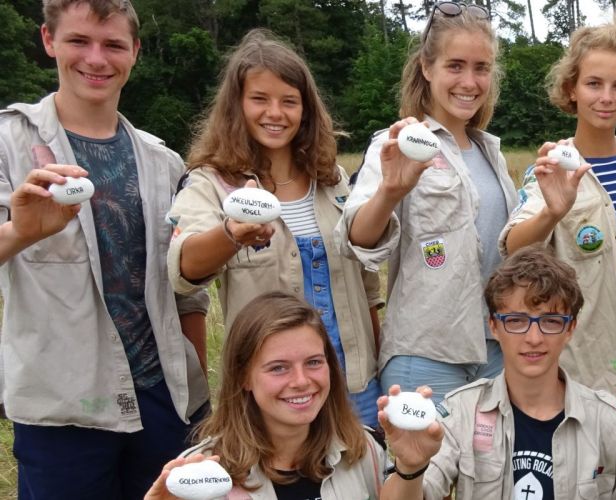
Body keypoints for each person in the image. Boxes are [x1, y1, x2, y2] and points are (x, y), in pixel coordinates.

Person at [0, 1, 210, 497]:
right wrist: (23, 231)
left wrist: (193, 399)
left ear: (134, 52)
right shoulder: (9, 141)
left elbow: (186, 292)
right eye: (78, 41)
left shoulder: (164, 161)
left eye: (113, 44)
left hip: (164, 400)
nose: (96, 59)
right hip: (65, 408)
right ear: (49, 41)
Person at [166, 29, 383, 429]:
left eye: (289, 101)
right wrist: (231, 234)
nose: (275, 113)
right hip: (269, 396)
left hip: (356, 387)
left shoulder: (331, 179)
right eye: (259, 99)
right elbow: (185, 270)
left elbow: (367, 287)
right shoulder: (211, 183)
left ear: (306, 109)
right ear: (236, 105)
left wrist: (380, 365)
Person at [500, 19, 616, 478]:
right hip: (594, 364)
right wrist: (552, 211)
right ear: (571, 90)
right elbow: (512, 250)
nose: (607, 97)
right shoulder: (551, 169)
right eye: (594, 83)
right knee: (596, 484)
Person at [342, 0, 519, 405]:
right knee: (423, 468)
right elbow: (358, 242)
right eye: (455, 66)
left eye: (481, 68)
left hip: (494, 346)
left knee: (488, 470)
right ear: (427, 67)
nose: (469, 81)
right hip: (425, 353)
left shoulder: (490, 152)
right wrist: (390, 191)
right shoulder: (398, 144)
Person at [382, 246, 616, 499]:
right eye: (516, 321)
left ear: (570, 328)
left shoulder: (611, 423)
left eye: (550, 321)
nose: (534, 338)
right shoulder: (461, 411)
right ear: (494, 326)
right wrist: (410, 468)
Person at [145, 291, 410, 499]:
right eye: (278, 368)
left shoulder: (364, 451)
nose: (301, 381)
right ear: (243, 376)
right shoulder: (199, 473)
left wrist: (411, 467)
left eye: (314, 362)